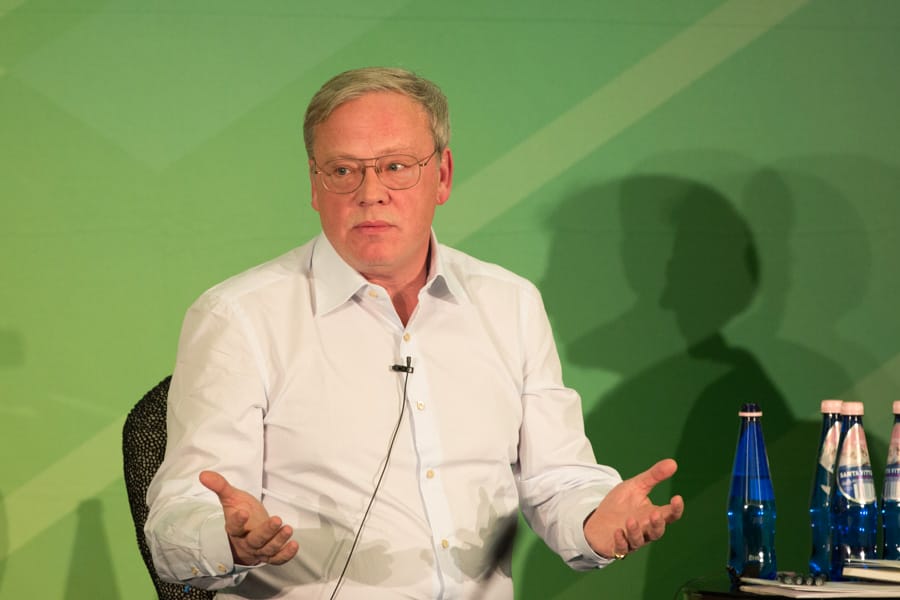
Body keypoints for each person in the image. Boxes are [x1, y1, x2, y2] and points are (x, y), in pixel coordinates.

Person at [144, 66, 684, 599]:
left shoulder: (510, 304)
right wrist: (227, 539)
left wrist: (594, 520)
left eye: (396, 167)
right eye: (342, 170)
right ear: (314, 184)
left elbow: (558, 480)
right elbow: (180, 515)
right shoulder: (239, 316)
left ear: (442, 175)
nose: (370, 193)